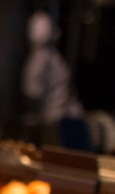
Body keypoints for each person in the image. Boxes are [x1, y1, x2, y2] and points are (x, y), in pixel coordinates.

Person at [21, 11, 89, 149]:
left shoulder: (43, 59)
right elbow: (32, 91)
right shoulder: (47, 58)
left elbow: (32, 91)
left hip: (63, 119)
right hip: (63, 118)